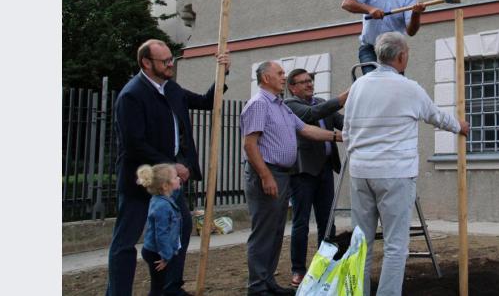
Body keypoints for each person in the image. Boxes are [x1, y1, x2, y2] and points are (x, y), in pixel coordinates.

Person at [342, 31, 469, 295]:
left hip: (360, 172)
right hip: (394, 174)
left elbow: (346, 131)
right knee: (396, 246)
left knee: (361, 244)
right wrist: (459, 126)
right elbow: (435, 116)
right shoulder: (409, 88)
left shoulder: (358, 87)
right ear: (401, 56)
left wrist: (358, 157)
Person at [106, 39, 230, 296]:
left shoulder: (171, 89)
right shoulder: (132, 95)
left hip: (168, 183)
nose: (171, 64)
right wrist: (171, 165)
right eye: (165, 61)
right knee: (125, 242)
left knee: (180, 229)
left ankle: (167, 288)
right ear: (146, 63)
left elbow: (207, 102)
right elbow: (134, 143)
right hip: (139, 181)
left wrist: (223, 72)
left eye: (171, 59)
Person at [241, 61, 344, 296]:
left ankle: (268, 283)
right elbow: (250, 144)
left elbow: (307, 130)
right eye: (279, 74)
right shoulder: (259, 104)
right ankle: (257, 288)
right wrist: (266, 176)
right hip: (267, 173)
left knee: (276, 231)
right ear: (266, 78)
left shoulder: (280, 106)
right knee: (264, 232)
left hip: (282, 174)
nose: (283, 77)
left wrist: (340, 137)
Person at [283, 68, 349, 287]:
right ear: (292, 87)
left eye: (310, 80)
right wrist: (341, 98)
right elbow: (313, 115)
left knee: (327, 221)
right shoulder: (291, 106)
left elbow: (343, 122)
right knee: (301, 222)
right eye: (303, 82)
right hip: (303, 172)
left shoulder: (319, 102)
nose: (309, 84)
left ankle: (327, 264)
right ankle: (299, 270)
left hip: (325, 170)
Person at [340, 0, 426, 74]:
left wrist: (416, 14)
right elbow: (347, 3)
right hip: (369, 47)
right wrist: (369, 9)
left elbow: (411, 31)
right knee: (372, 80)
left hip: (394, 51)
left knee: (393, 84)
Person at [136, 163, 185, 296]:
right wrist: (166, 255)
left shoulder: (162, 199)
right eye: (175, 178)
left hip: (157, 250)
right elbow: (161, 234)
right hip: (156, 253)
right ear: (165, 186)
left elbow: (173, 194)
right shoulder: (162, 206)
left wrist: (177, 185)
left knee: (160, 284)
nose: (178, 179)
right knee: (157, 288)